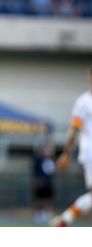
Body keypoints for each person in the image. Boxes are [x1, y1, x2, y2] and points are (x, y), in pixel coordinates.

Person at [50, 68, 92, 227]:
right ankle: (65, 220)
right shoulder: (84, 102)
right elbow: (74, 129)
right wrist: (66, 153)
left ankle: (65, 220)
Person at [32, 137, 55, 223]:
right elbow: (36, 170)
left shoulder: (50, 159)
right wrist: (37, 179)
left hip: (48, 182)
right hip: (40, 181)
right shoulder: (38, 159)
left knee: (48, 198)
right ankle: (39, 213)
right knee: (39, 198)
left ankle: (47, 212)